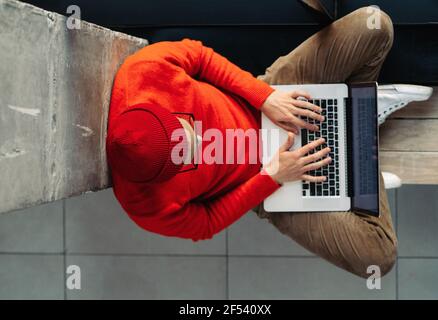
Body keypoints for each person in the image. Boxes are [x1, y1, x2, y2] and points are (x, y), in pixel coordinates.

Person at [106, 7, 397, 278]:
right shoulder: (145, 208)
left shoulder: (143, 73)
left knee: (375, 24)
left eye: (187, 132)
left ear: (159, 111)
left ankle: (361, 123)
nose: (200, 141)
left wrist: (265, 97)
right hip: (269, 185)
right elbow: (207, 223)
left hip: (266, 100)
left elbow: (201, 57)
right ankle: (359, 145)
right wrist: (271, 177)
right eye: (187, 156)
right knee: (378, 258)